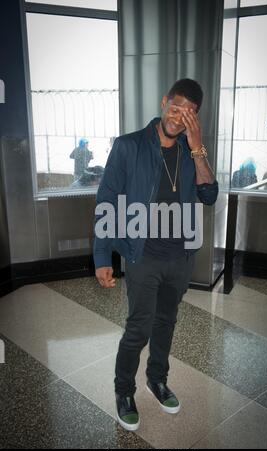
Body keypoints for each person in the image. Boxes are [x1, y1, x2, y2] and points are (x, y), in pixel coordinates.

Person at [93, 78, 219, 432]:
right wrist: (103, 256)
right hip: (142, 254)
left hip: (179, 258)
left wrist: (197, 149)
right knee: (138, 327)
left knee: (166, 322)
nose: (180, 118)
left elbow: (209, 195)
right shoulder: (129, 146)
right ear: (165, 102)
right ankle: (124, 391)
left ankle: (157, 380)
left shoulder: (190, 152)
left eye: (190, 113)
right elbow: (107, 200)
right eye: (176, 107)